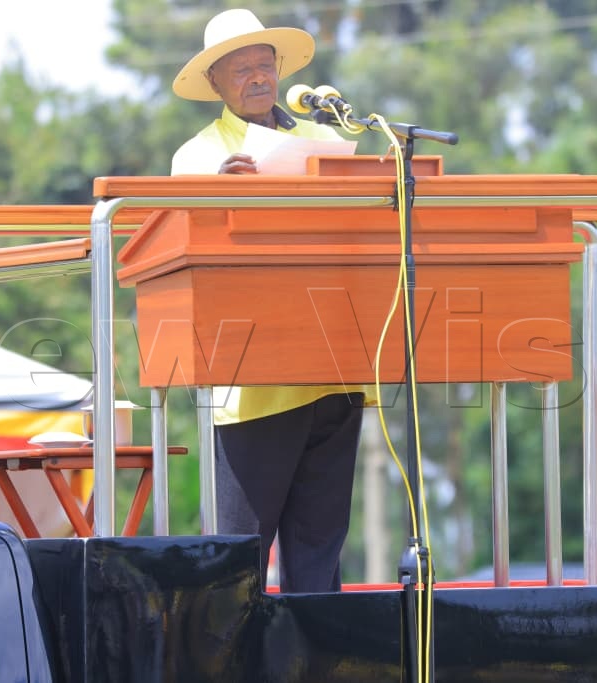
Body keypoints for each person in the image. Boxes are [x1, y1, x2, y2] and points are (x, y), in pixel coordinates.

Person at [171, 8, 366, 593]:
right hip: (252, 377)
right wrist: (214, 200)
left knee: (319, 563)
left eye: (265, 65)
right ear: (214, 83)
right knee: (240, 567)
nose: (258, 78)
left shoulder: (327, 137)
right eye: (241, 69)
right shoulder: (197, 158)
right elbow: (176, 250)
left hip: (333, 364)